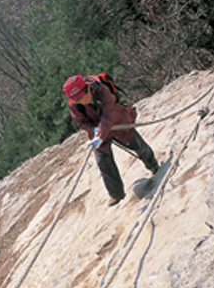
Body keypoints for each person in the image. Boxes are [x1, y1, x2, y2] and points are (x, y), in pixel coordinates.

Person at [63, 73, 159, 206]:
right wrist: (94, 130)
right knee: (103, 160)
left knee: (136, 144)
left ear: (87, 89)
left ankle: (153, 165)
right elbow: (80, 122)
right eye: (78, 100)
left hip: (117, 120)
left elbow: (109, 114)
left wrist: (101, 132)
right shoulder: (75, 104)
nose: (82, 102)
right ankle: (116, 194)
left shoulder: (102, 90)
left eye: (83, 97)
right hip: (97, 129)